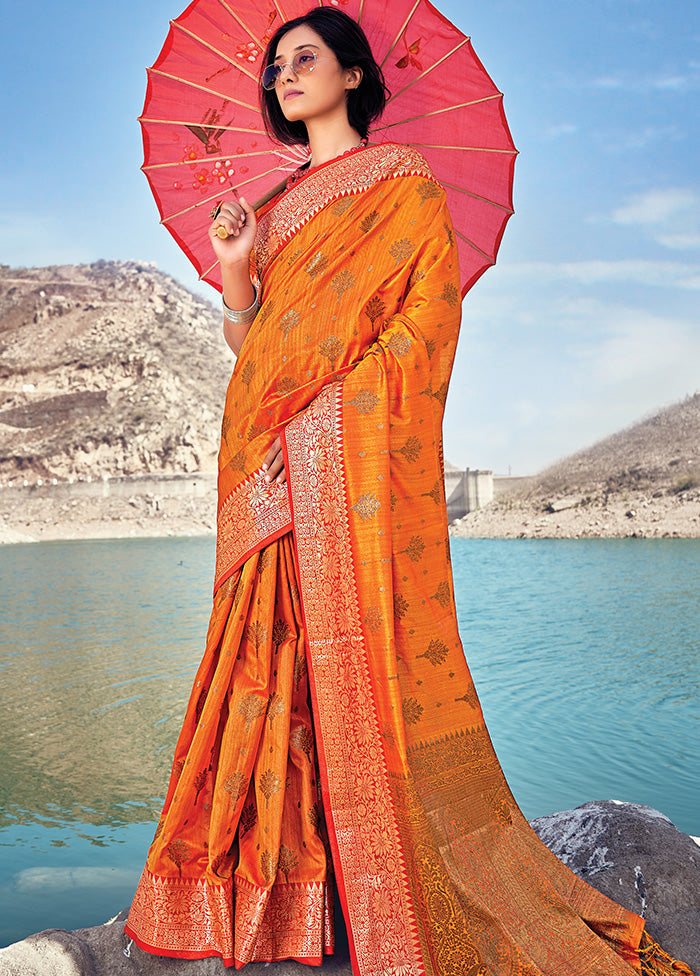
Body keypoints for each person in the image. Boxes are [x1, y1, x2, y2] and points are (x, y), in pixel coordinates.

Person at [125, 8, 694, 975]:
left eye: (305, 59)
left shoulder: (401, 187)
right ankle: (285, 894)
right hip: (265, 466)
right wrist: (235, 272)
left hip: (338, 457)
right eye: (275, 66)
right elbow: (254, 348)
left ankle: (377, 881)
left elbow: (424, 331)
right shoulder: (276, 209)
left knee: (350, 664)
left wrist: (326, 424)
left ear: (353, 73)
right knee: (276, 670)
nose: (284, 76)